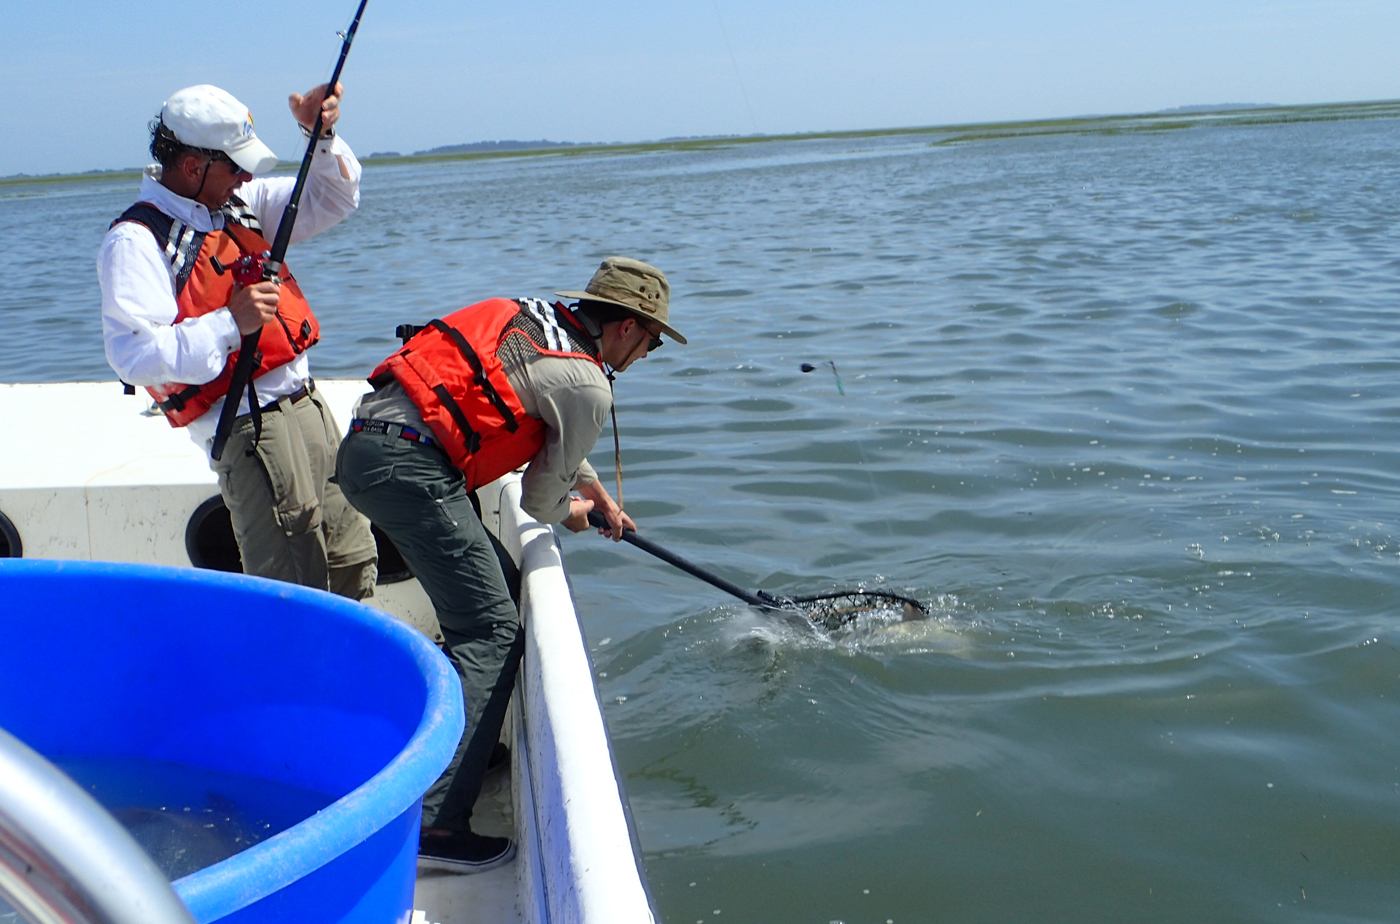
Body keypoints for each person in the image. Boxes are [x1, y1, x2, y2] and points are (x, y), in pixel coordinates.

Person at [335, 256, 684, 871]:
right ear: (627, 327)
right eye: (653, 339)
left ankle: (456, 744)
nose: (650, 353)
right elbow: (541, 501)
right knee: (494, 631)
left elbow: (530, 409)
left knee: (502, 586)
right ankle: (435, 826)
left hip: (371, 448)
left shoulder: (538, 322)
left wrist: (595, 490)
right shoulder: (590, 384)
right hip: (413, 472)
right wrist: (577, 513)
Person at [98, 83, 377, 599]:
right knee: (293, 593)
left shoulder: (239, 204)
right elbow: (133, 356)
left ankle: (352, 679)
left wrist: (320, 134)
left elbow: (334, 196)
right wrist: (230, 324)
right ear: (190, 167)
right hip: (252, 432)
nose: (247, 178)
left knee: (352, 562)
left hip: (309, 412)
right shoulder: (136, 241)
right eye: (235, 166)